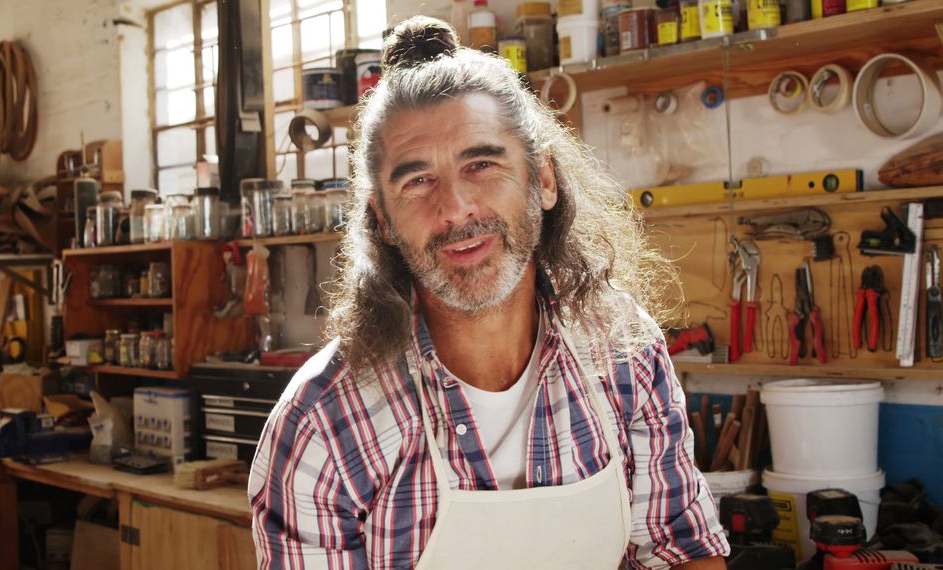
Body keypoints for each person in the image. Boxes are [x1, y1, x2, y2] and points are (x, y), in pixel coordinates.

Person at [248, 16, 730, 570]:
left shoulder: (623, 350)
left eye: (481, 163)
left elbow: (683, 551)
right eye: (417, 181)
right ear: (383, 221)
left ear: (543, 180)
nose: (455, 208)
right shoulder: (325, 423)